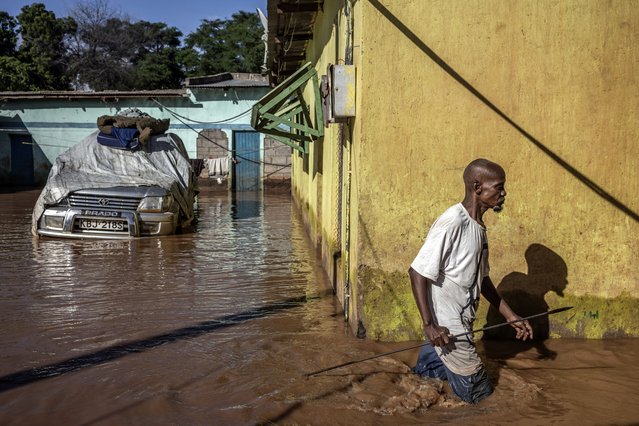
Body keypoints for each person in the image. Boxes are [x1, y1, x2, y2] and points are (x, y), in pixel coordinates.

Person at [408, 158, 533, 404]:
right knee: (480, 399)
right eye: (498, 187)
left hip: (452, 326)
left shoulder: (478, 227)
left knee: (424, 384)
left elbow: (482, 278)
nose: (503, 193)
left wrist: (510, 316)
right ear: (478, 187)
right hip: (448, 328)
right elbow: (417, 272)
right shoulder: (453, 221)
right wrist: (429, 325)